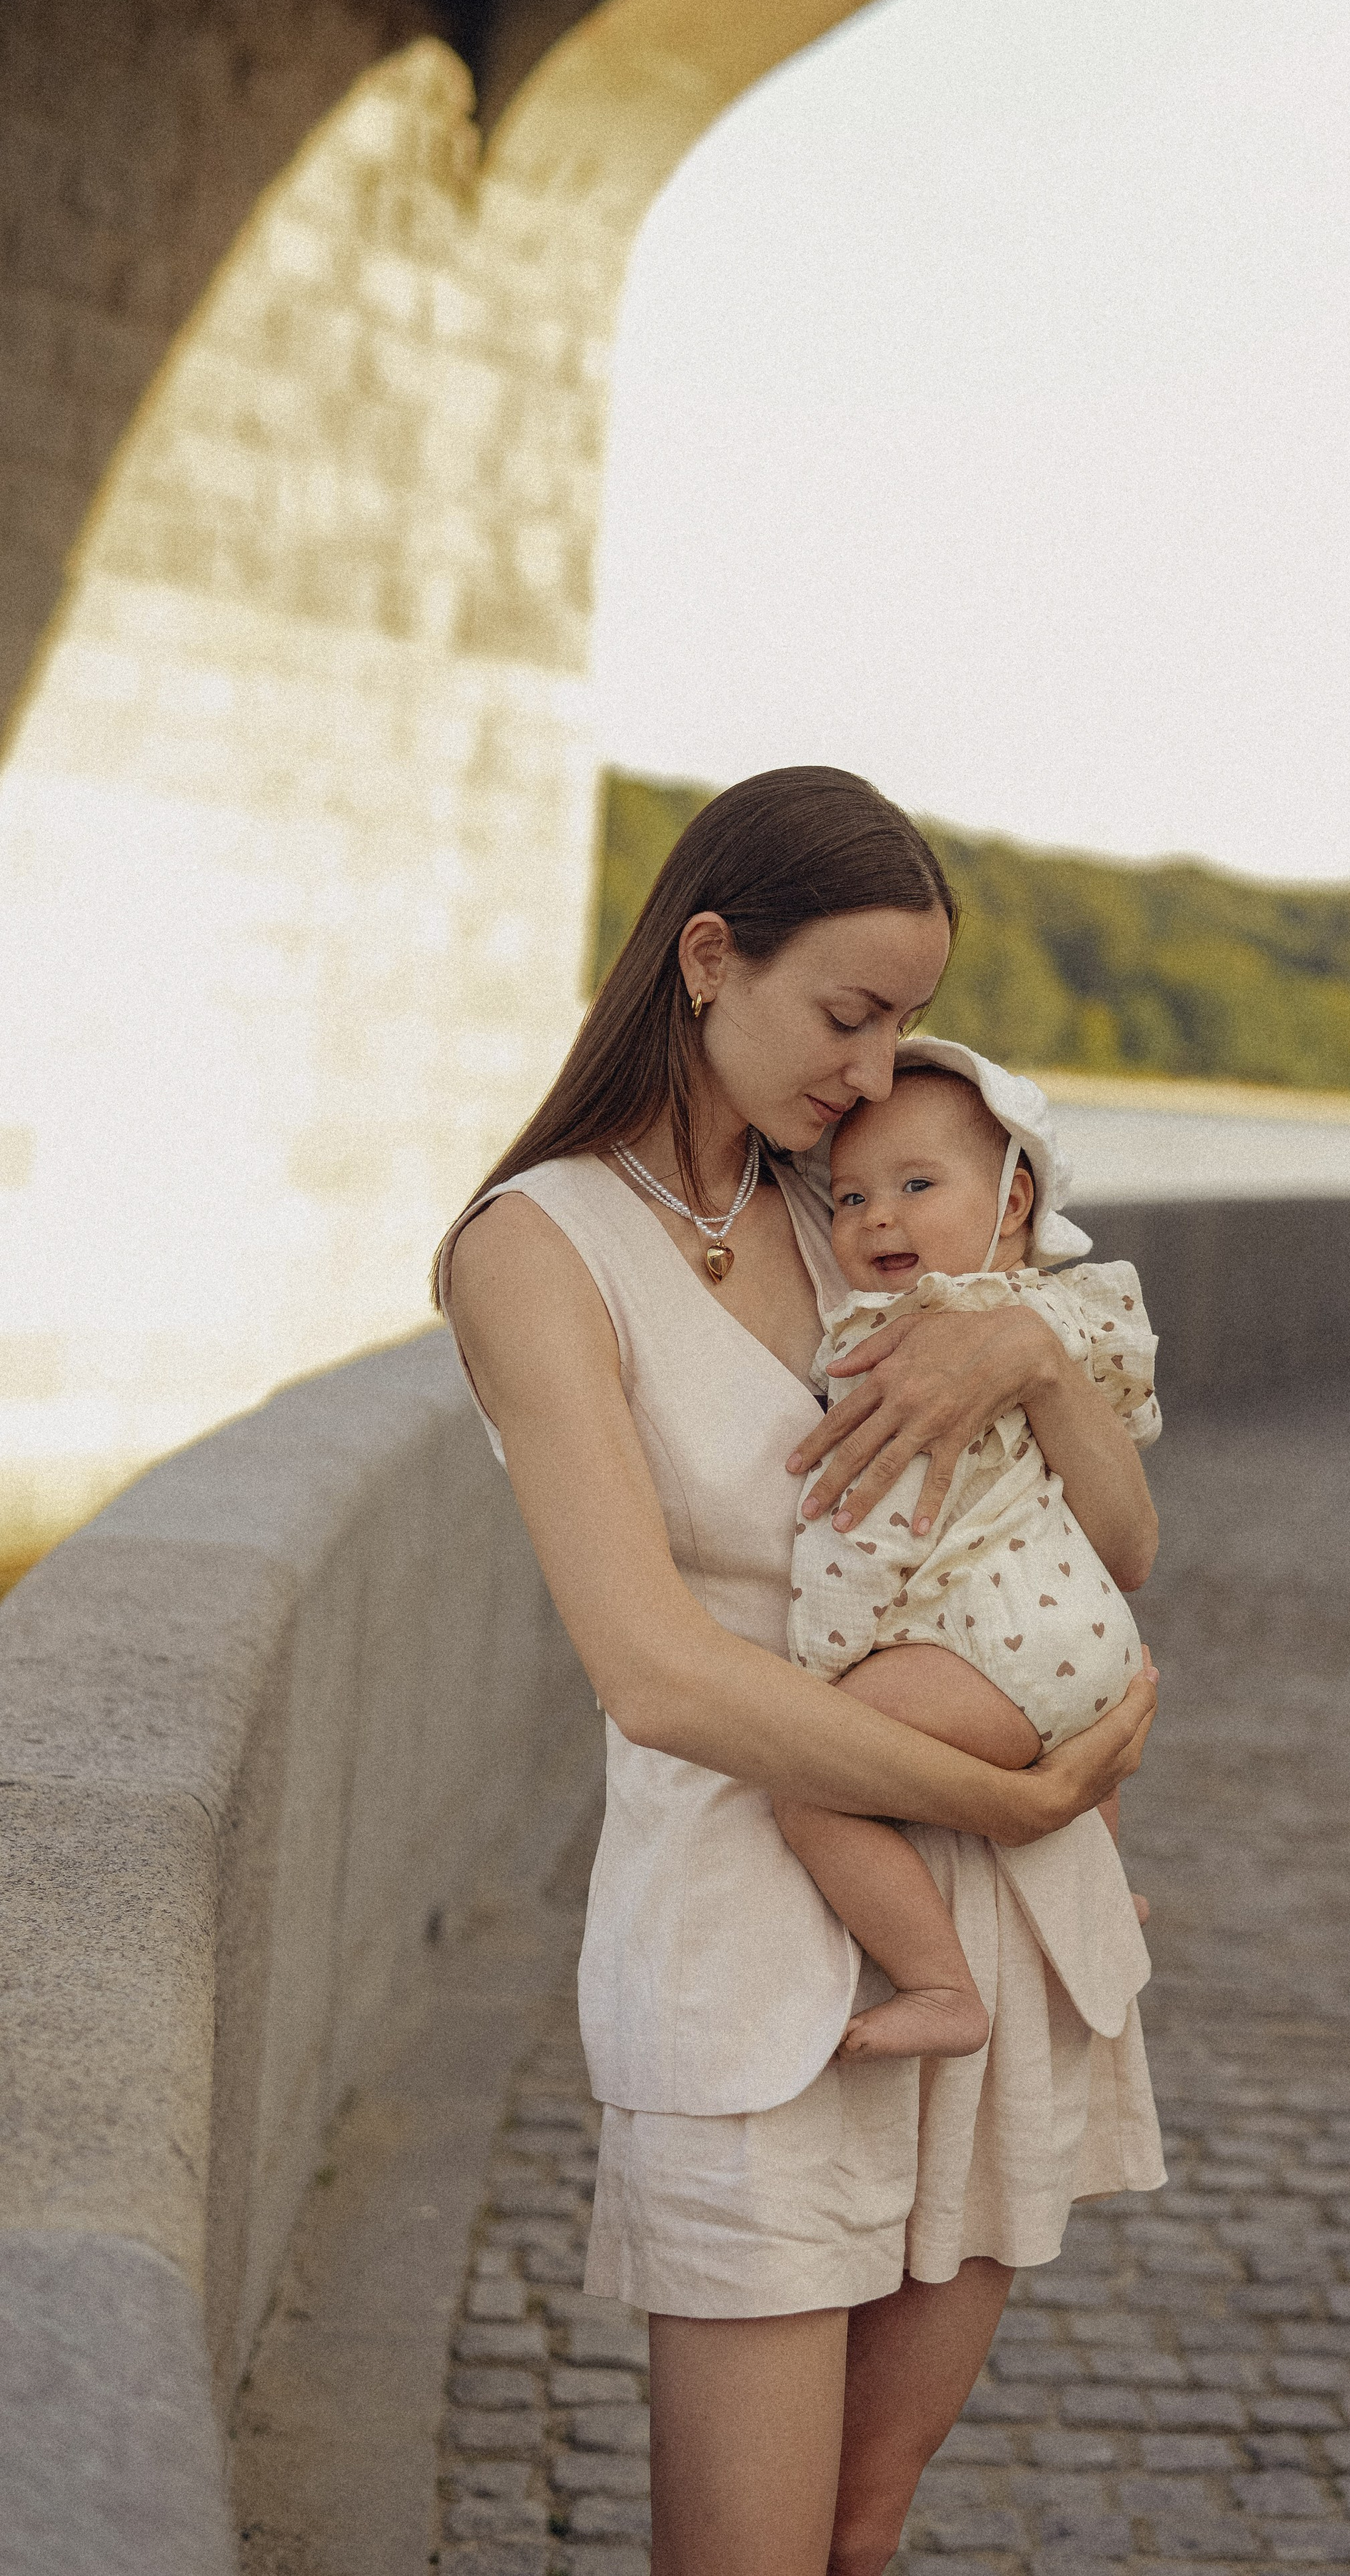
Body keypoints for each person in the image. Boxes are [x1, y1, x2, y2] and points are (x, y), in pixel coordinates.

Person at [435, 767, 1163, 2576]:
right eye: (847, 1014)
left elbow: (1095, 1541)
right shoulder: (534, 1252)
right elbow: (659, 1675)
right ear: (706, 957)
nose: (874, 1066)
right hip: (759, 1960)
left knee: (863, 2530)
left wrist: (1026, 1353)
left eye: (904, 1022)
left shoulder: (865, 1200)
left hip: (995, 1932)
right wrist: (1010, 1787)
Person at [776, 1046, 1160, 2064]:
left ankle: (940, 1983)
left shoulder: (905, 1348)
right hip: (1085, 1642)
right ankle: (1105, 1896)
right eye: (849, 1197)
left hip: (1001, 1650)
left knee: (808, 1769)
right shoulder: (1064, 1319)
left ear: (1015, 1200)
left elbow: (865, 1526)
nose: (877, 1217)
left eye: (915, 1185)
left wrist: (829, 1661)